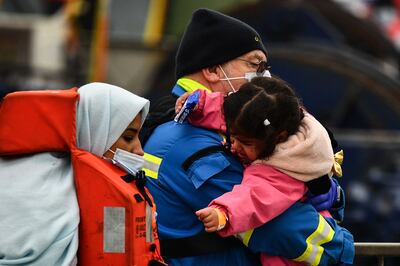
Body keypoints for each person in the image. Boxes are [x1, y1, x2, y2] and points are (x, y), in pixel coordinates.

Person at [141, 8, 352, 266]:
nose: (264, 77)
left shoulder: (189, 129)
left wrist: (322, 189)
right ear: (212, 70)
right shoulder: (191, 143)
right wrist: (342, 248)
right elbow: (277, 225)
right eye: (255, 65)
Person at [175, 77, 351, 265]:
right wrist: (201, 104)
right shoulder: (282, 121)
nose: (235, 146)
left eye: (246, 143)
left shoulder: (282, 166)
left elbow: (256, 197)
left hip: (292, 257)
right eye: (233, 138)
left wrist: (224, 213)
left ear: (278, 137)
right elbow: (234, 112)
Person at [0, 83, 153, 265]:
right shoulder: (45, 196)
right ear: (93, 130)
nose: (140, 151)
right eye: (128, 137)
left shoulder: (94, 186)